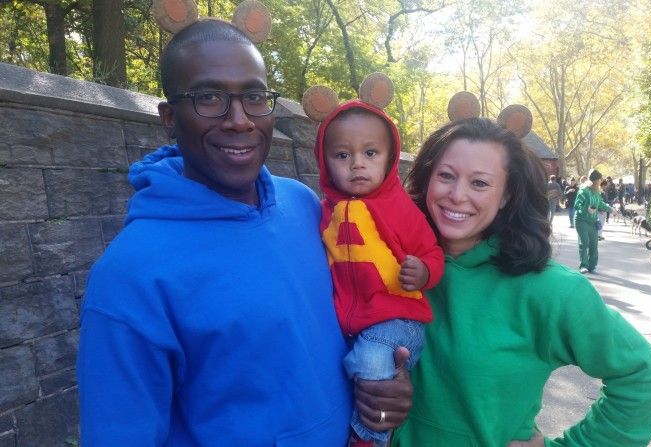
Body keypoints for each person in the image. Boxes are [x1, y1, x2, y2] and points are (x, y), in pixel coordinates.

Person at [77, 19, 413, 446]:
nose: (239, 120)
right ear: (169, 118)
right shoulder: (128, 278)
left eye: (254, 96)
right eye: (209, 97)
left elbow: (344, 327)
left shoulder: (305, 206)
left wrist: (384, 388)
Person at [390, 117, 651, 446]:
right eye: (446, 176)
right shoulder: (388, 262)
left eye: (479, 183)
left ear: (507, 195)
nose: (457, 194)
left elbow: (645, 378)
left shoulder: (550, 290)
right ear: (427, 180)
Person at [313, 100, 444, 446]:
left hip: (397, 320)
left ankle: (368, 438)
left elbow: (431, 251)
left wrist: (424, 271)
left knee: (371, 363)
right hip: (350, 323)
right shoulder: (325, 211)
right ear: (324, 162)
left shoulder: (399, 207)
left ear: (389, 159)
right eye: (342, 156)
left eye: (370, 153)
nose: (357, 164)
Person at [574, 169, 613, 273]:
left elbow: (601, 204)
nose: (600, 182)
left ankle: (592, 266)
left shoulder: (597, 192)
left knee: (593, 244)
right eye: (599, 180)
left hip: (592, 222)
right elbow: (577, 205)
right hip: (581, 220)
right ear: (594, 180)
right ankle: (583, 266)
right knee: (584, 242)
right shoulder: (584, 191)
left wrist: (611, 209)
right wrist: (586, 209)